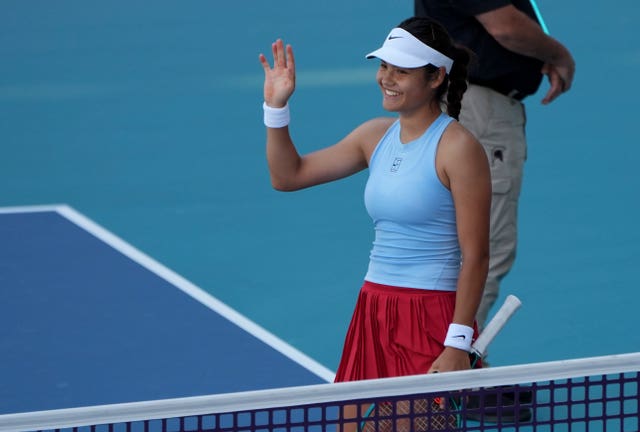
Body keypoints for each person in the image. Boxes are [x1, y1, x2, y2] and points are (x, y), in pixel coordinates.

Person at [259, 17, 491, 430]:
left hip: (428, 316)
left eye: (401, 70)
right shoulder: (374, 136)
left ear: (436, 76)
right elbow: (288, 176)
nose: (386, 78)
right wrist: (276, 109)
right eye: (384, 66)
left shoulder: (458, 148)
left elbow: (475, 254)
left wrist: (457, 341)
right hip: (373, 310)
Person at [414, 0, 576, 334]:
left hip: (457, 104)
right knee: (482, 249)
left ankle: (443, 363)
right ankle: (449, 372)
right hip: (479, 111)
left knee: (448, 247)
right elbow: (505, 26)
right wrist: (557, 54)